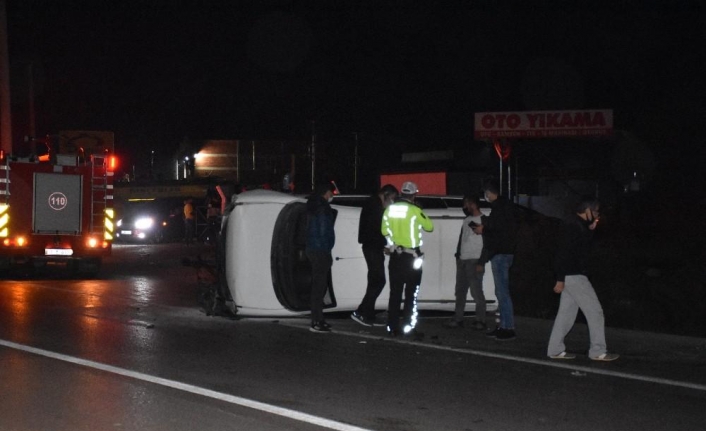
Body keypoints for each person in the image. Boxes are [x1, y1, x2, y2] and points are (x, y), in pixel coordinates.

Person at [547, 197, 619, 361]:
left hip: (572, 275)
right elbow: (562, 253)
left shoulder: (577, 225)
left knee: (566, 314)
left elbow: (581, 250)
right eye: (595, 212)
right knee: (595, 312)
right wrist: (560, 279)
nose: (597, 216)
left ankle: (555, 349)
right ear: (587, 211)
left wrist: (591, 229)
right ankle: (597, 351)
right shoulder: (572, 226)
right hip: (574, 276)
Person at [381, 181, 434, 337]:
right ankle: (408, 327)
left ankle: (392, 328)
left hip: (396, 257)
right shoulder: (415, 210)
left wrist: (392, 246)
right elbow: (429, 227)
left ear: (401, 193)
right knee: (411, 293)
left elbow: (384, 230)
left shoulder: (389, 210)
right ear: (413, 194)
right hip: (412, 257)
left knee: (395, 293)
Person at [474, 181, 518, 340]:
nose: (485, 197)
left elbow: (498, 229)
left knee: (502, 292)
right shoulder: (506, 206)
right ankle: (503, 325)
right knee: (501, 292)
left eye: (486, 194)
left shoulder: (500, 208)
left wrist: (483, 229)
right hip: (506, 252)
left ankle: (508, 327)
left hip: (500, 253)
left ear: (489, 193)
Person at [351, 184, 399, 327]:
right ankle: (361, 311)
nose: (392, 202)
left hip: (372, 246)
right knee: (378, 280)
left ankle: (368, 313)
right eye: (392, 198)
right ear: (385, 194)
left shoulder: (372, 203)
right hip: (372, 247)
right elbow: (377, 229)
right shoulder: (375, 206)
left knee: (374, 280)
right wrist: (386, 244)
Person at [443, 194, 487, 330]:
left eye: (466, 204)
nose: (464, 207)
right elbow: (462, 238)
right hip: (462, 260)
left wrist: (481, 262)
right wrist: (458, 255)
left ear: (473, 204)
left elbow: (488, 243)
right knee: (460, 291)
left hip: (475, 260)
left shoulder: (485, 220)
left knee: (476, 292)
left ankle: (480, 320)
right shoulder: (467, 220)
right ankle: (458, 318)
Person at [305, 183, 337, 333]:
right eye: (331, 192)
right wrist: (327, 250)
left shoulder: (312, 205)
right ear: (326, 192)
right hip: (321, 250)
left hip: (312, 249)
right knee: (319, 287)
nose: (332, 195)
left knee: (317, 287)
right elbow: (325, 231)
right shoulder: (323, 208)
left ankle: (317, 319)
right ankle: (317, 321)